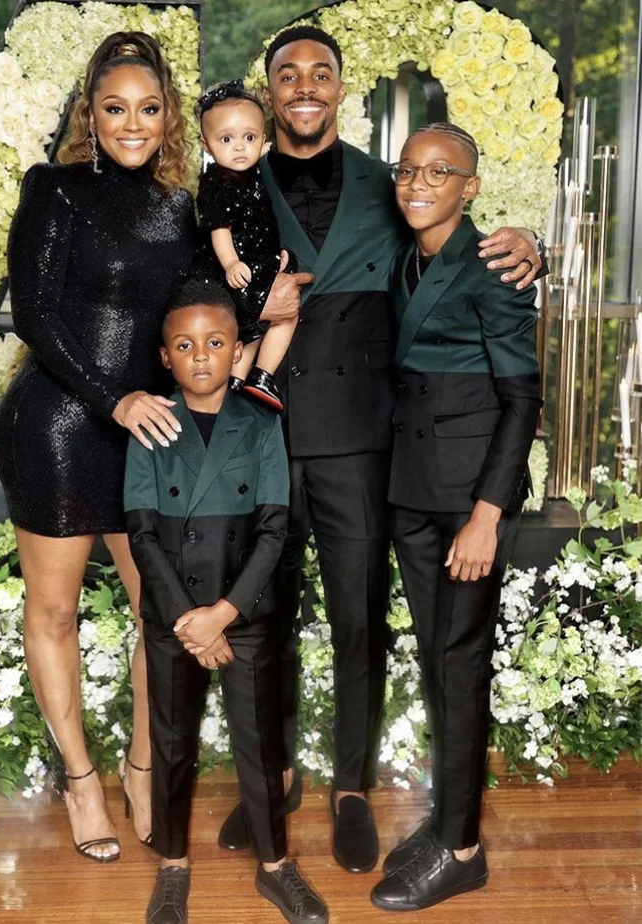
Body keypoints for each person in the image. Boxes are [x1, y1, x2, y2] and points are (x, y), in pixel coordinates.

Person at [217, 25, 545, 874]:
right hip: (259, 434)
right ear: (269, 88)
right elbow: (191, 292)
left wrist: (531, 246)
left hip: (362, 442)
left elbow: (458, 251)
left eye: (320, 72)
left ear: (339, 86)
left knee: (358, 620)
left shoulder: (391, 183)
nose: (304, 85)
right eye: (287, 73)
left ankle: (352, 785)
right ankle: (274, 773)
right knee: (262, 613)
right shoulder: (229, 180)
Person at [0, 32, 196, 861]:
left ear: (168, 116)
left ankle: (142, 768)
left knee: (161, 611)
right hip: (60, 425)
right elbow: (34, 313)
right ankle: (80, 780)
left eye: (148, 108)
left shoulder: (182, 206)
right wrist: (114, 399)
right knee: (56, 610)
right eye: (116, 108)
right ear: (91, 116)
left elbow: (199, 311)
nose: (133, 124)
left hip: (148, 431)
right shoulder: (56, 189)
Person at [370, 123, 542, 911]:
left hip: (468, 500)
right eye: (408, 169)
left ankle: (464, 850)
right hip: (411, 488)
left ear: (470, 188)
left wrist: (486, 516)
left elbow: (521, 400)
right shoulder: (404, 255)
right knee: (438, 663)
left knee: (462, 664)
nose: (417, 182)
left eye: (438, 172)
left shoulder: (495, 266)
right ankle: (447, 822)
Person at [124, 278, 328, 924]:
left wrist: (223, 614)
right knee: (171, 743)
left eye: (215, 342)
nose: (202, 356)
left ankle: (275, 865)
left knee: (260, 746)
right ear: (165, 357)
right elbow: (141, 534)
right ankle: (172, 867)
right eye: (185, 345)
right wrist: (190, 620)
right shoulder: (150, 428)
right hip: (175, 618)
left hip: (244, 615)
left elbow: (273, 531)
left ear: (238, 349)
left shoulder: (262, 422)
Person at [194, 79, 302, 411]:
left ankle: (246, 379)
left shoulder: (255, 176)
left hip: (257, 261)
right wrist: (230, 263)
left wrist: (274, 252)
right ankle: (255, 375)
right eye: (226, 139)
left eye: (249, 138)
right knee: (273, 319)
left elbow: (260, 222)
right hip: (235, 269)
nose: (239, 147)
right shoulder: (218, 182)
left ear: (263, 140)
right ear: (206, 145)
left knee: (262, 325)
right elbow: (220, 230)